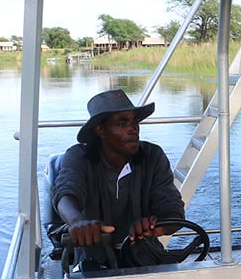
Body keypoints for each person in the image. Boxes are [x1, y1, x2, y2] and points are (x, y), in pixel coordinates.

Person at [52, 88, 185, 269]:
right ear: (101, 130)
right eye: (122, 124)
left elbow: (172, 209)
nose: (133, 129)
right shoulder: (78, 157)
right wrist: (78, 222)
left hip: (145, 259)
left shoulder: (153, 156)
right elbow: (65, 194)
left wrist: (157, 228)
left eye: (134, 121)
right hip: (91, 262)